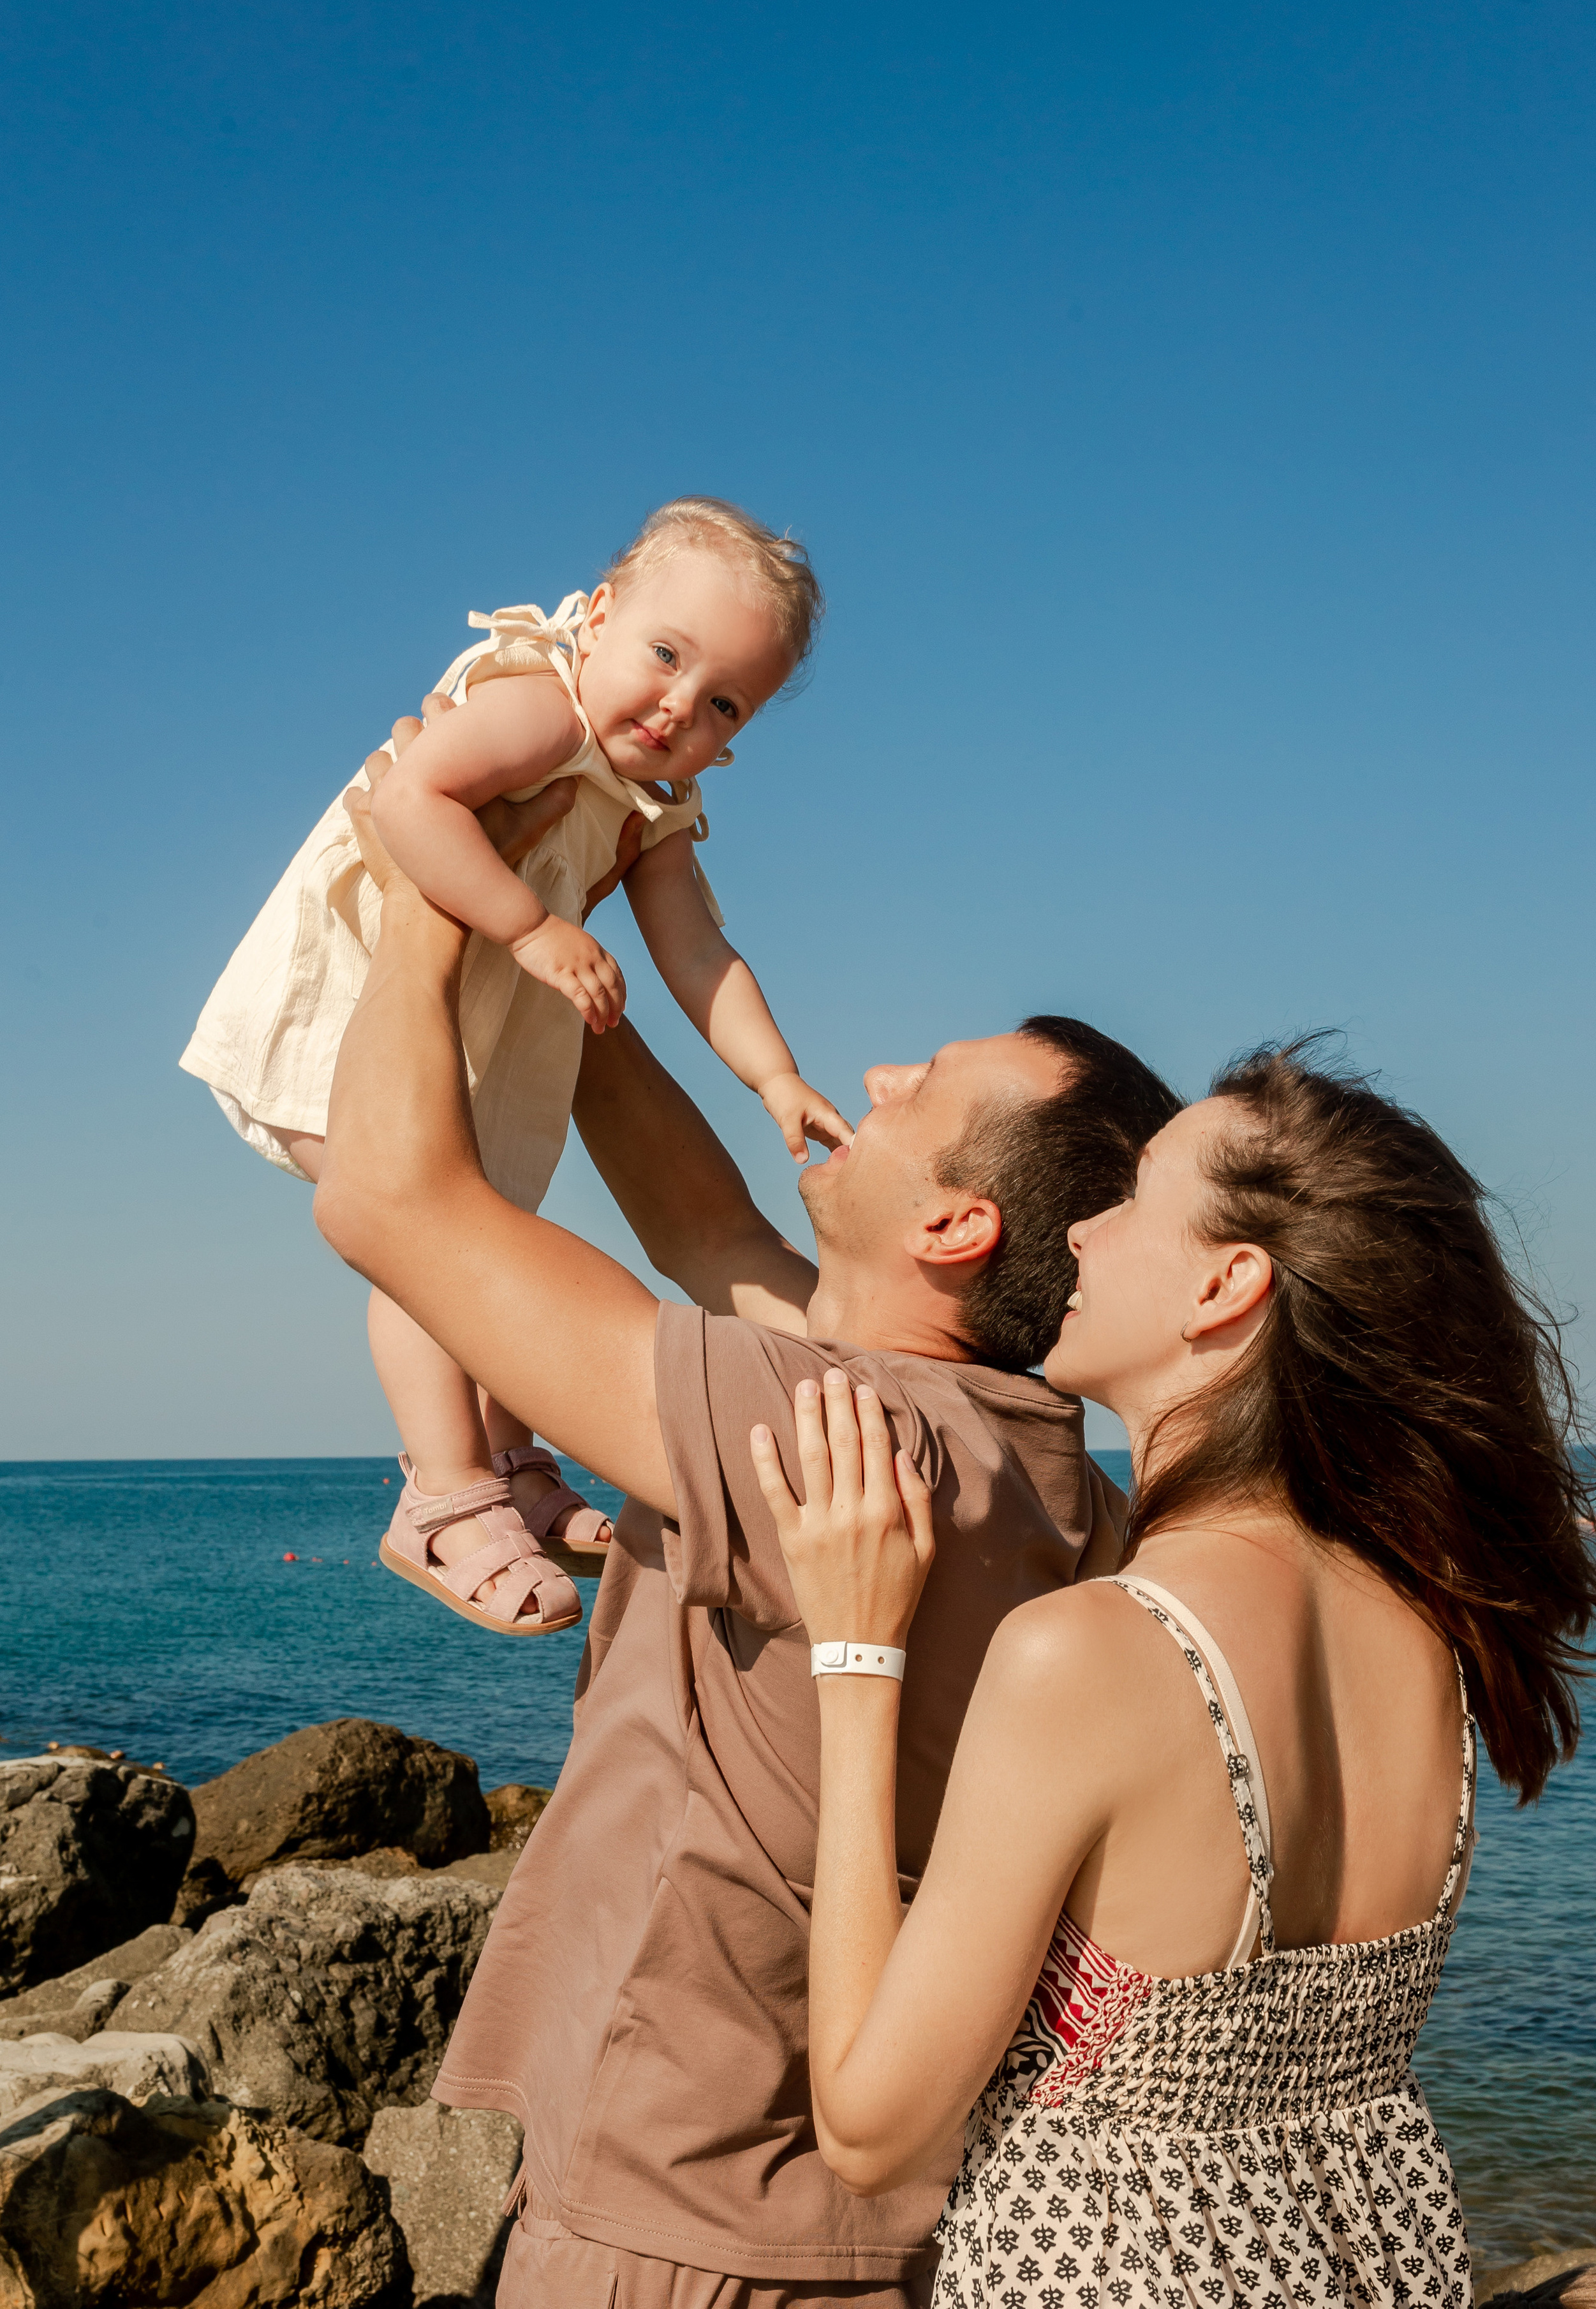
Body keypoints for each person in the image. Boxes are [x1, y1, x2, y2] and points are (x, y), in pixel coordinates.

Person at [307, 725, 1181, 2309]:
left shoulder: (830, 1433)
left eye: (924, 1087)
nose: (874, 1076)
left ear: (954, 1225)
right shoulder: (1012, 1451)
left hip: (687, 2224)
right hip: (823, 2216)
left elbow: (386, 1196)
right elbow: (702, 1224)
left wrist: (428, 875)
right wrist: (558, 946)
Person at [750, 1046, 1596, 2308]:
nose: (1085, 1235)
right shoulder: (1427, 1636)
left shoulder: (1089, 1653)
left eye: (1133, 1198)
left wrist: (855, 1652)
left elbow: (873, 2131)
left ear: (1223, 1284)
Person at [182, 497, 848, 1636]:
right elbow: (410, 800)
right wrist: (532, 928)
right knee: (429, 1250)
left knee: (486, 1243)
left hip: (469, 1037)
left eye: (721, 701)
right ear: (594, 621)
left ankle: (510, 1458)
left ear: (734, 740)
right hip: (352, 1014)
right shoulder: (541, 709)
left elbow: (696, 950)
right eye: (666, 655)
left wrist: (773, 1077)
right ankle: (444, 1491)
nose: (678, 705)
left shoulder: (655, 801)